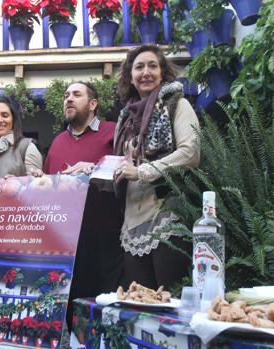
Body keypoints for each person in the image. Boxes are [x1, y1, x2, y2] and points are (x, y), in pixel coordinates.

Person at [113, 44, 201, 290]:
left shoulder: (177, 104)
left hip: (167, 215)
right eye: (139, 67)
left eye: (153, 66)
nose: (146, 72)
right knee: (140, 305)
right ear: (130, 76)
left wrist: (143, 171)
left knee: (169, 300)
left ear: (163, 73)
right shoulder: (125, 118)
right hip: (132, 222)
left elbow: (191, 152)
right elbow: (123, 162)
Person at [43, 81, 124, 325]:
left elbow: (129, 164)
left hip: (105, 234)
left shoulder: (113, 130)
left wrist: (96, 167)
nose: (68, 99)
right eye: (66, 95)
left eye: (76, 95)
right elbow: (49, 184)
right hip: (65, 241)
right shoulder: (57, 141)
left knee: (102, 307)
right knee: (70, 306)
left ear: (93, 104)